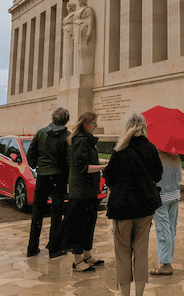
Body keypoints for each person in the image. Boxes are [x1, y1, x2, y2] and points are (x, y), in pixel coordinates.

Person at [104, 113, 163, 296]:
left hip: (122, 207)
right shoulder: (150, 148)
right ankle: (139, 294)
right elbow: (158, 175)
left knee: (122, 254)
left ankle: (125, 294)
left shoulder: (119, 149)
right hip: (144, 207)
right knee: (141, 251)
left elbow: (109, 177)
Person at [56, 112, 107, 272]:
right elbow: (83, 167)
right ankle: (77, 261)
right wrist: (103, 167)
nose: (96, 125)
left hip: (89, 190)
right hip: (80, 192)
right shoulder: (80, 141)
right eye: (94, 123)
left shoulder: (87, 141)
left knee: (89, 224)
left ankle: (87, 254)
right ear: (86, 124)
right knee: (78, 225)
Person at [26, 107, 70, 258]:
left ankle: (32, 247)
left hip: (43, 176)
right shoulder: (67, 136)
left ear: (52, 119)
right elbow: (69, 160)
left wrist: (37, 166)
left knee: (37, 213)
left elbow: (30, 154)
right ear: (66, 120)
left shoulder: (40, 133)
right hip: (59, 176)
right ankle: (54, 248)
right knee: (56, 214)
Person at [151, 150, 182, 276]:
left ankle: (166, 264)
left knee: (163, 230)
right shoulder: (175, 157)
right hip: (175, 196)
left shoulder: (157, 158)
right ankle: (167, 260)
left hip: (161, 197)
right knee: (170, 228)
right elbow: (180, 177)